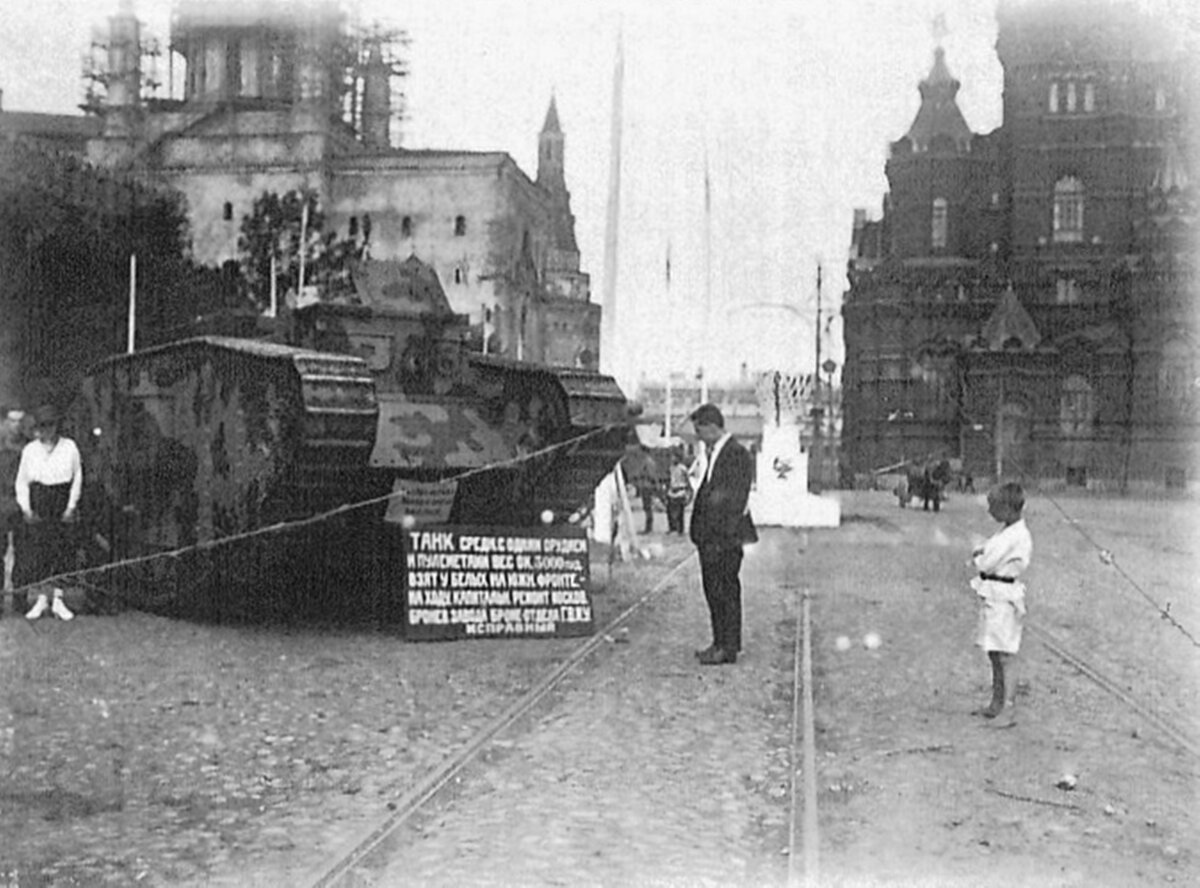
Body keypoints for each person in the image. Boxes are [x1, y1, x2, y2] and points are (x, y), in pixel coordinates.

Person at [688, 404, 757, 665]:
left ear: (711, 426)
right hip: (712, 540)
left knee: (724, 591)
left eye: (699, 430)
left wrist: (719, 538)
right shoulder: (717, 453)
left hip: (722, 541)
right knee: (716, 592)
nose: (698, 436)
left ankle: (726, 647)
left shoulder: (735, 454)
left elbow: (734, 501)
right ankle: (720, 642)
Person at [969, 481, 1032, 727]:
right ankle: (996, 701)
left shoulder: (1016, 535)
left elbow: (986, 561)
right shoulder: (1006, 531)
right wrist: (981, 552)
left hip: (1005, 597)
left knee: (1006, 653)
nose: (989, 511)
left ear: (1007, 508)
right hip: (994, 594)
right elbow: (987, 550)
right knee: (994, 650)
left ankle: (1008, 708)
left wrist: (979, 556)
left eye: (993, 507)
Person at [14, 404, 83, 621]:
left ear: (57, 426)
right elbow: (22, 481)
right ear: (38, 427)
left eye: (51, 425)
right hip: (39, 499)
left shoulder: (69, 447)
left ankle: (59, 600)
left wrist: (71, 506)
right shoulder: (30, 450)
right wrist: (26, 508)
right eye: (43, 426)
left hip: (61, 499)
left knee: (62, 550)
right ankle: (42, 599)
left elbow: (77, 478)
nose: (47, 430)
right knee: (40, 551)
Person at [0, 408, 27, 609]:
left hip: (22, 505)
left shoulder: (30, 447)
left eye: (19, 421)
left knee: (23, 552)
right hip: (1, 504)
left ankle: (20, 597)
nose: (16, 425)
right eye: (12, 420)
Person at [665, 450, 691, 534]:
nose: (672, 458)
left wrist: (688, 492)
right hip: (672, 490)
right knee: (669, 510)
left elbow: (687, 480)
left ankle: (680, 528)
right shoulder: (670, 468)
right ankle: (672, 527)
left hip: (680, 491)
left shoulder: (683, 468)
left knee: (680, 511)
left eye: (674, 457)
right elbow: (669, 479)